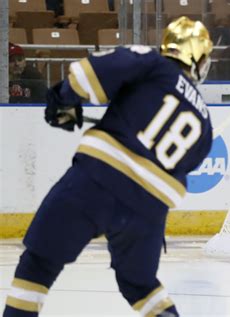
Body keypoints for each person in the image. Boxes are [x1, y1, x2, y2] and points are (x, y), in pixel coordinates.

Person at [3, 16, 213, 317]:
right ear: (199, 57)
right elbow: (181, 167)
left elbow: (87, 75)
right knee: (141, 286)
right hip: (148, 210)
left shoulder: (153, 63)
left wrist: (62, 100)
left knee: (39, 263)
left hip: (95, 184)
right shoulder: (205, 120)